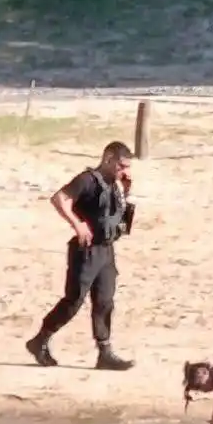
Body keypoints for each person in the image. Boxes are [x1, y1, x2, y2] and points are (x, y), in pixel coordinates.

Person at [25, 141, 136, 371]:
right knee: (73, 300)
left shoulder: (115, 184)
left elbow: (116, 215)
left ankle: (105, 353)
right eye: (121, 165)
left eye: (127, 166)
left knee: (105, 301)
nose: (124, 171)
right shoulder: (87, 180)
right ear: (108, 159)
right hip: (86, 251)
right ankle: (40, 340)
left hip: (106, 251)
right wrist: (77, 225)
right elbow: (59, 199)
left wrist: (125, 191)